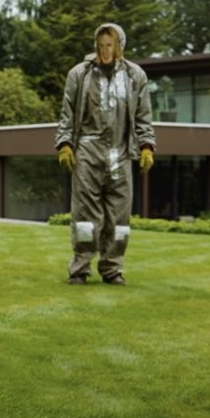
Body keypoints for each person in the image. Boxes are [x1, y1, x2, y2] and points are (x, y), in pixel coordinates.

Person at [55, 23, 155, 286]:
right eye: (101, 45)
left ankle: (112, 269)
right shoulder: (79, 74)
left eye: (110, 45)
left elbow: (143, 115)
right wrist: (65, 144)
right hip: (87, 155)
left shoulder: (135, 76)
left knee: (119, 221)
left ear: (120, 45)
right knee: (85, 219)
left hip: (120, 156)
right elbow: (67, 113)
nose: (105, 50)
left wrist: (146, 146)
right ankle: (80, 269)